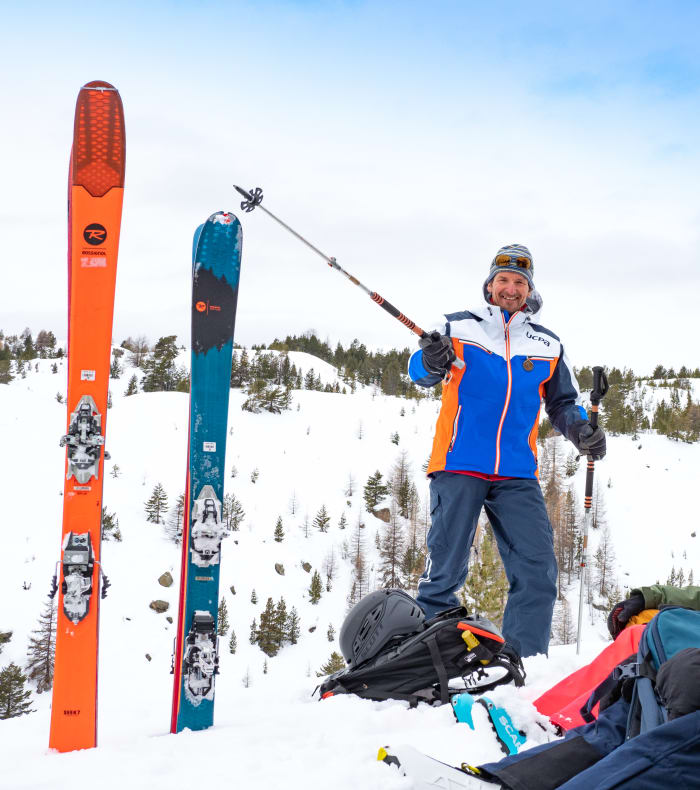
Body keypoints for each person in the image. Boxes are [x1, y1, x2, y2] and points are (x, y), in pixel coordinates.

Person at [408, 244, 605, 658]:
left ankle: (524, 666)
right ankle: (429, 662)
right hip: (460, 462)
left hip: (517, 471)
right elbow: (418, 372)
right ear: (490, 285)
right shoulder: (457, 327)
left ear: (529, 290)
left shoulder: (546, 343)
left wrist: (581, 430)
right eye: (503, 280)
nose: (510, 288)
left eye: (519, 282)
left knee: (538, 570)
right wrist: (432, 358)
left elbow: (562, 403)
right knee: (445, 570)